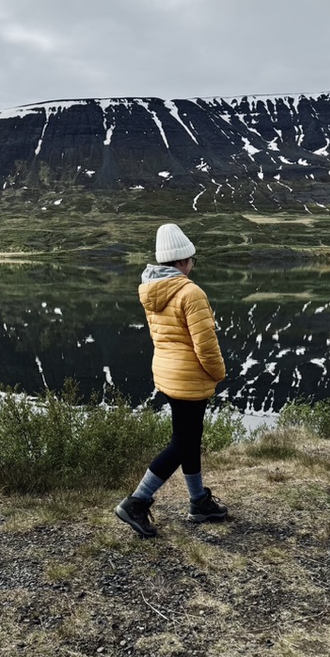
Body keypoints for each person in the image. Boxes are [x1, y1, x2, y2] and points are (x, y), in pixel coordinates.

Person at [115, 222, 228, 538]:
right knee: (183, 442)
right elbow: (205, 345)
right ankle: (137, 502)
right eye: (192, 259)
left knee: (189, 438)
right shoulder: (191, 292)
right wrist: (218, 373)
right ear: (182, 261)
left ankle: (198, 502)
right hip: (190, 376)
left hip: (168, 373)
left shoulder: (152, 290)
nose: (192, 264)